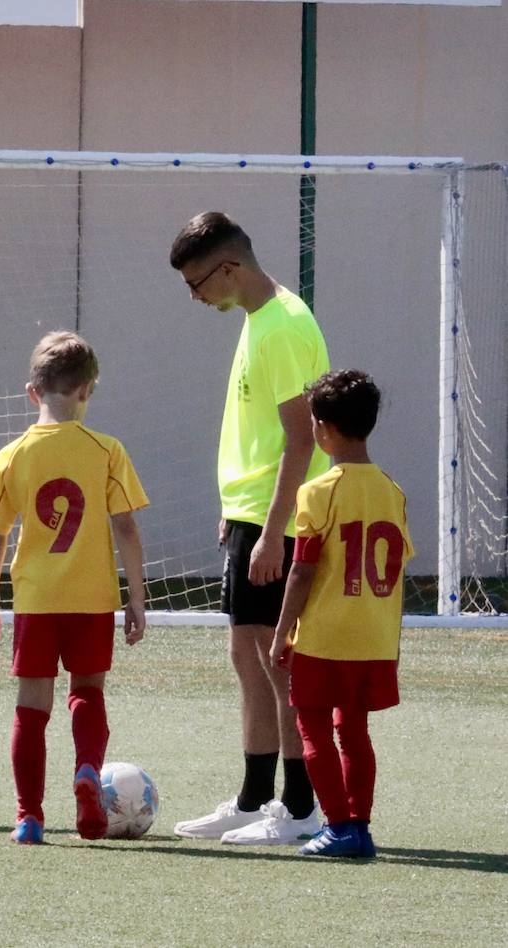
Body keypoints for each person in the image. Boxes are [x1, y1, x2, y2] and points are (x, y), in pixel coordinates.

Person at [169, 211, 330, 845]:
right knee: (248, 654)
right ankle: (255, 794)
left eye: (198, 282)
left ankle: (299, 807)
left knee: (279, 660)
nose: (196, 296)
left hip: (276, 520)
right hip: (251, 514)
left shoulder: (284, 326)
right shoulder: (258, 318)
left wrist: (271, 531)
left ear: (229, 268)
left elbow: (299, 440)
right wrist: (239, 515)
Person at [0, 331, 149, 844]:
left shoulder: (11, 456)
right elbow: (127, 528)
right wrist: (137, 597)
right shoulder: (107, 450)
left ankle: (29, 817)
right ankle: (89, 769)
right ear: (87, 391)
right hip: (93, 598)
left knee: (32, 708)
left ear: (33, 392)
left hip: (36, 600)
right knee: (88, 693)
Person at [269, 370, 411, 858]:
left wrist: (283, 632)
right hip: (373, 638)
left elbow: (302, 572)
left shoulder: (317, 492)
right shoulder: (393, 492)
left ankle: (338, 826)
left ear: (323, 428)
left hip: (325, 637)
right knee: (354, 731)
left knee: (311, 727)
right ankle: (361, 827)